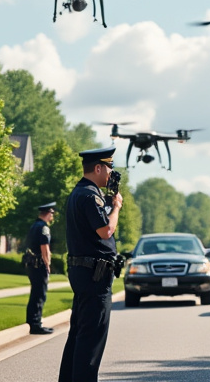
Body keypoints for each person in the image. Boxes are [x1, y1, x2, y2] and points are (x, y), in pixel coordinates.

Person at [59, 147, 122, 382]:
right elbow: (106, 230)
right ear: (97, 168)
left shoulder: (81, 193)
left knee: (79, 334)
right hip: (94, 276)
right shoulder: (90, 195)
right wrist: (116, 207)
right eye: (109, 168)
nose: (111, 173)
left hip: (85, 272)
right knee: (91, 339)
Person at [25, 201, 57, 335]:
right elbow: (45, 248)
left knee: (35, 293)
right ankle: (36, 324)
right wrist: (48, 264)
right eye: (52, 213)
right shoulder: (44, 227)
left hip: (31, 264)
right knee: (40, 294)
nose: (52, 216)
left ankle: (33, 322)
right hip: (39, 265)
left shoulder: (34, 225)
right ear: (48, 213)